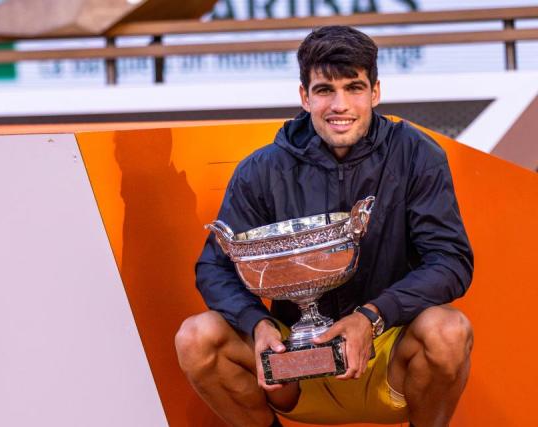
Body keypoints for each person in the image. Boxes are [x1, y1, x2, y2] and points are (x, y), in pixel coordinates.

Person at [175, 26, 473, 427]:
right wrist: (258, 325)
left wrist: (372, 316)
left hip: (385, 360)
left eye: (354, 87)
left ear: (375, 92)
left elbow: (450, 260)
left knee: (448, 330)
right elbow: (214, 267)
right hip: (293, 369)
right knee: (196, 338)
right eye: (324, 90)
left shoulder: (416, 155)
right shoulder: (261, 170)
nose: (340, 105)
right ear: (304, 96)